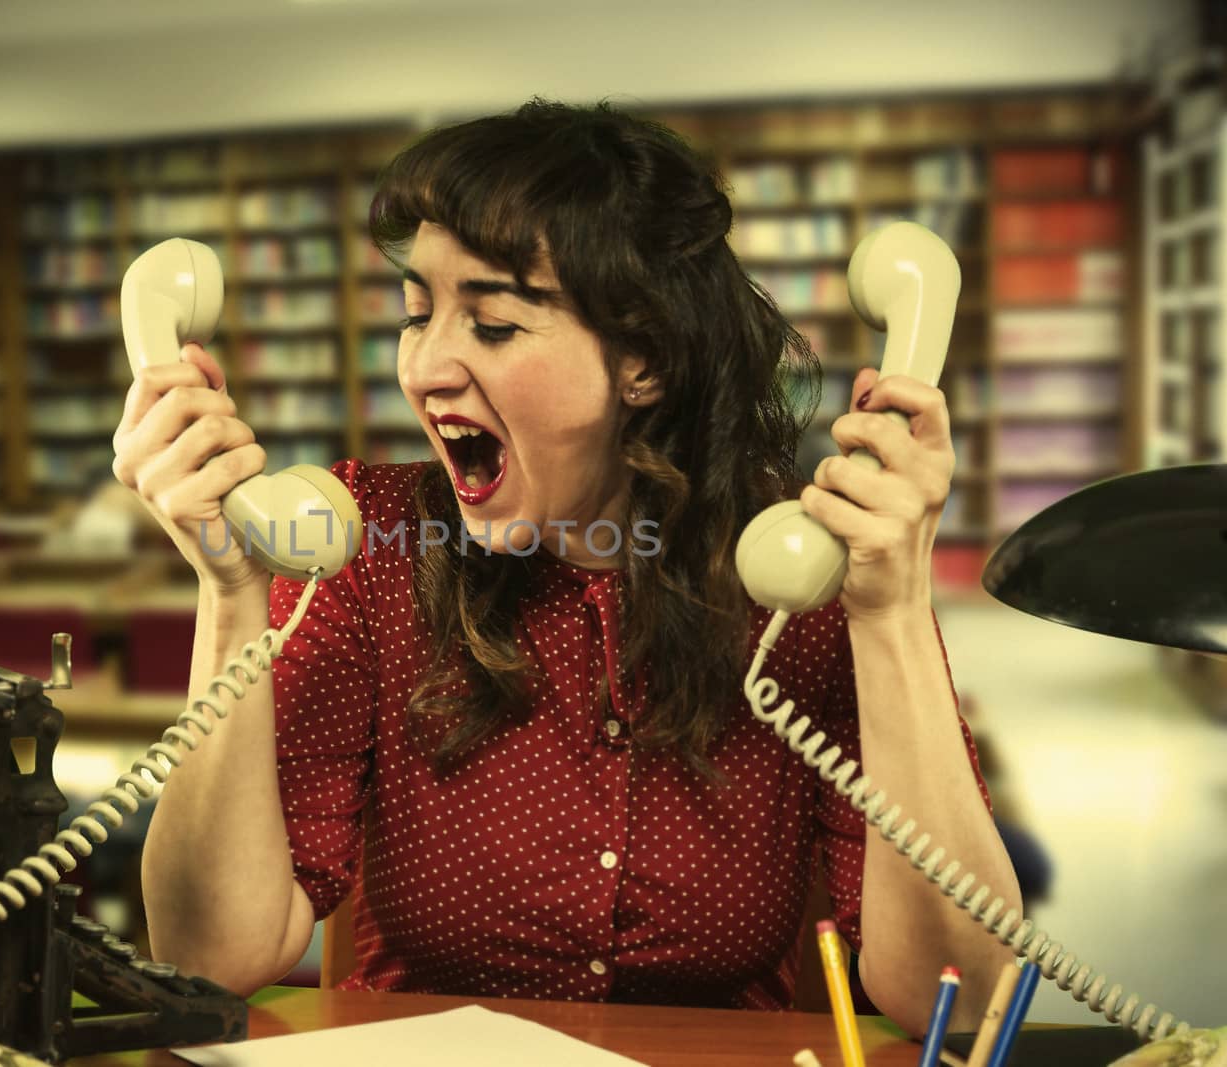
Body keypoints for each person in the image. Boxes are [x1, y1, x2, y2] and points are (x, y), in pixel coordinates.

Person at [112, 99, 1022, 1037]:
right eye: (417, 313)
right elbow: (207, 957)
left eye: (494, 323)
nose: (424, 367)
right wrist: (228, 591)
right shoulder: (365, 547)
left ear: (645, 359)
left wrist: (892, 608)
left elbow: (965, 1004)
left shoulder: (800, 580)